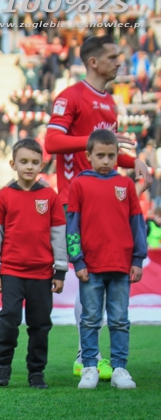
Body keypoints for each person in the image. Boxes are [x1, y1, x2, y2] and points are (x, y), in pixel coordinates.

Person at [45, 35, 151, 379]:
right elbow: (52, 141)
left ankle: (92, 355)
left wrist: (132, 161)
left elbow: (105, 151)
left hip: (103, 203)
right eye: (113, 56)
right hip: (74, 200)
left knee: (98, 275)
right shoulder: (71, 96)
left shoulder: (110, 103)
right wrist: (91, 141)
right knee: (86, 275)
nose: (120, 61)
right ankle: (84, 355)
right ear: (93, 61)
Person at [67, 129, 147, 389]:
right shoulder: (79, 184)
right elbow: (72, 226)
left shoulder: (126, 185)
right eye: (100, 155)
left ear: (117, 156)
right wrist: (77, 260)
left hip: (121, 266)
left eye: (111, 156)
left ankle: (120, 369)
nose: (105, 161)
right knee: (90, 319)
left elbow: (137, 223)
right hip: (90, 267)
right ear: (88, 155)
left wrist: (138, 259)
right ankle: (89, 366)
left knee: (120, 320)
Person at [0, 138, 67, 389]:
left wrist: (60, 271)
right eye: (23, 161)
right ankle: (3, 367)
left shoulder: (50, 196)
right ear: (13, 164)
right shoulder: (4, 195)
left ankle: (36, 372)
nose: (29, 166)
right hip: (11, 272)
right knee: (9, 318)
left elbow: (58, 235)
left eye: (34, 162)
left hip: (42, 274)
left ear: (42, 164)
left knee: (40, 324)